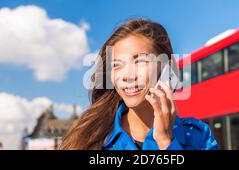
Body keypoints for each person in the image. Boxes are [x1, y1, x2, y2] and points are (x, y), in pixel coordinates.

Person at [59, 18, 219, 150]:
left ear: (166, 67)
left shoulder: (199, 136)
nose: (127, 76)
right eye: (116, 65)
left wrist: (165, 142)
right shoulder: (86, 140)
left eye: (140, 61)